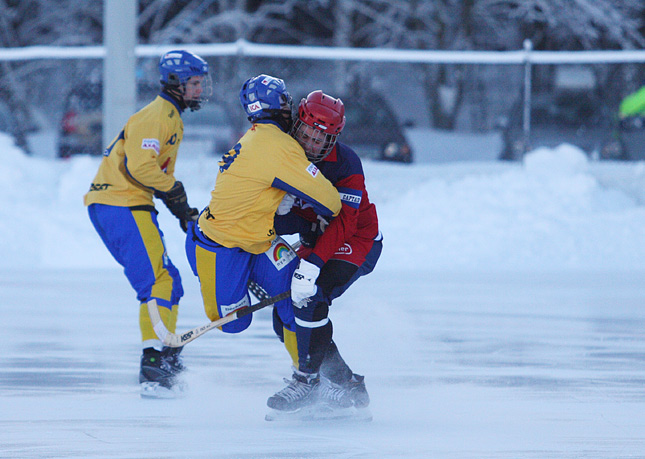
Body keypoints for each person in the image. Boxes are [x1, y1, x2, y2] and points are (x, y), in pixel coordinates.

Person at [183, 75, 342, 404]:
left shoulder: (257, 138)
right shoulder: (280, 147)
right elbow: (331, 202)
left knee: (297, 300)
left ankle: (309, 378)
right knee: (234, 323)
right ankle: (228, 267)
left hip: (258, 241)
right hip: (219, 246)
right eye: (287, 103)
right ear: (281, 106)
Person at [84, 50, 211, 398]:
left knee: (169, 281)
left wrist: (181, 211)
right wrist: (176, 192)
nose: (200, 90)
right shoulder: (158, 115)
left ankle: (164, 353)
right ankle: (154, 360)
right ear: (176, 82)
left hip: (125, 203)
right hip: (120, 203)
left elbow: (155, 172)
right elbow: (142, 168)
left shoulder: (170, 115)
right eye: (195, 83)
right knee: (159, 280)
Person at [269, 90, 382, 415]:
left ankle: (307, 380)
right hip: (318, 238)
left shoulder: (346, 163)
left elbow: (346, 222)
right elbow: (289, 221)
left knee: (311, 296)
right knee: (284, 316)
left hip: (357, 239)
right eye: (305, 134)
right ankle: (343, 384)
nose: (311, 144)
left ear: (333, 139)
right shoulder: (283, 153)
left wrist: (314, 263)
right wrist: (281, 214)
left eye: (321, 139)